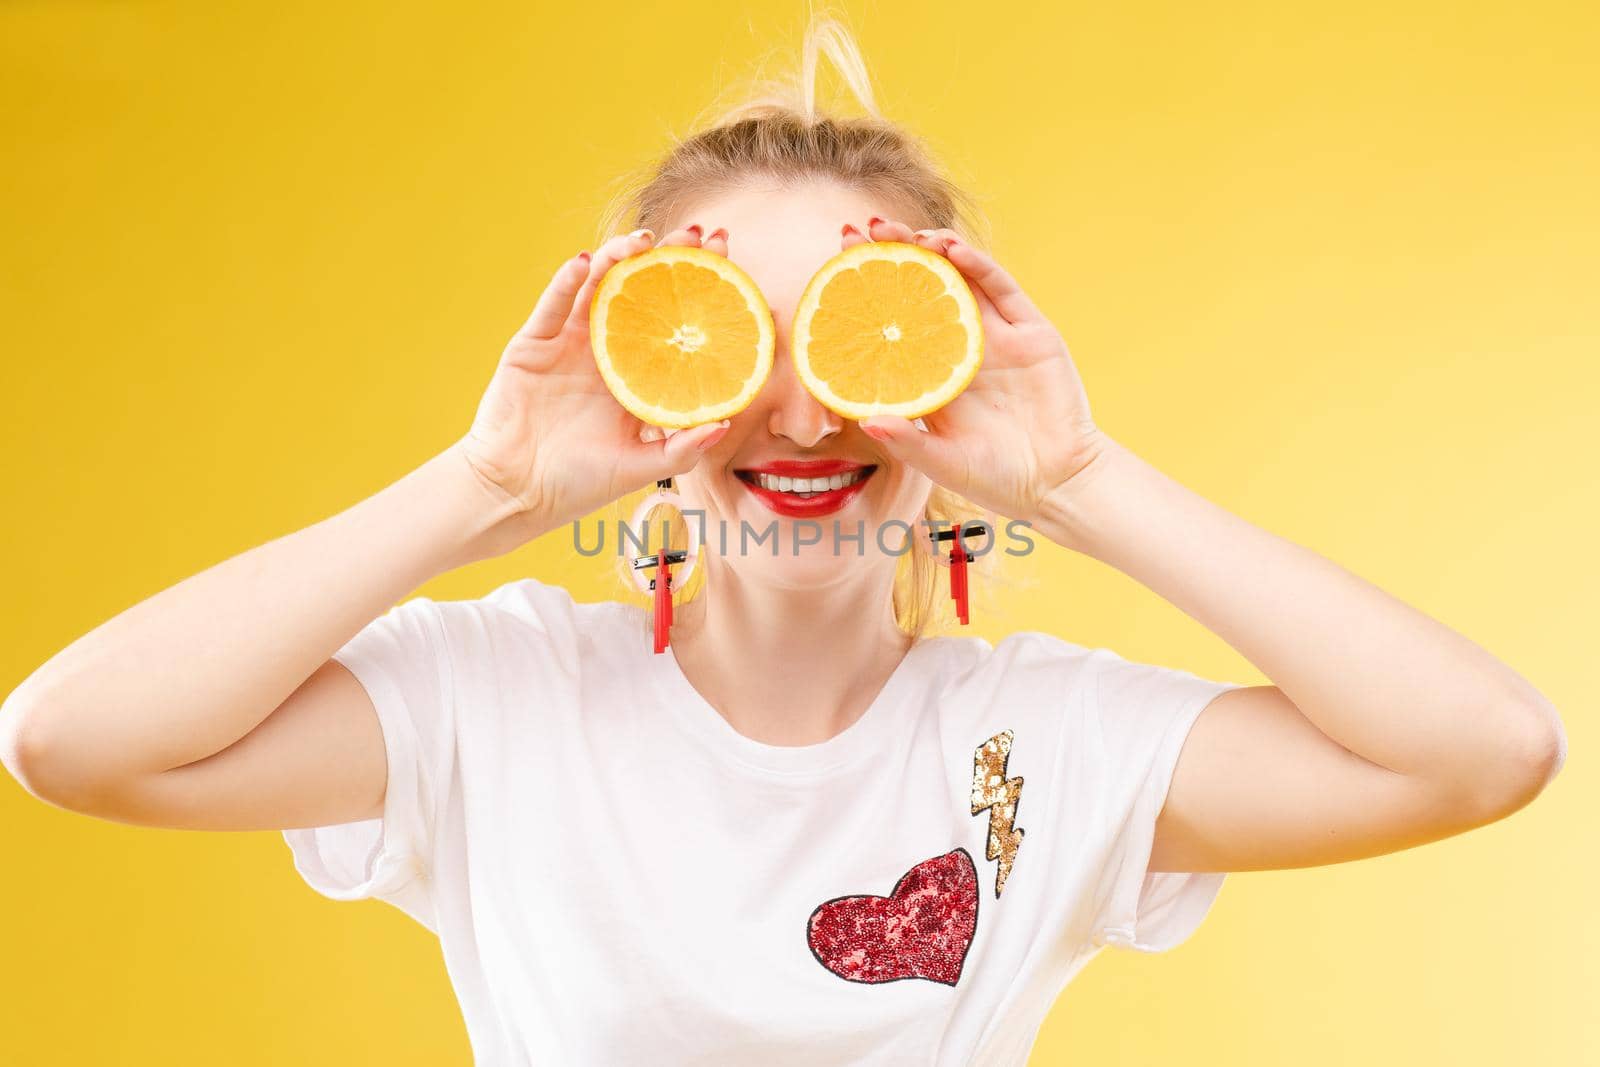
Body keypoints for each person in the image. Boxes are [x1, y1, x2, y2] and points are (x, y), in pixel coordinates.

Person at [0, 16, 1566, 1067]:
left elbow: (1483, 751)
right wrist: (487, 485)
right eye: (727, 338)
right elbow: (69, 740)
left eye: (863, 336)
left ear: (943, 369)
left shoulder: (1040, 743)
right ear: (635, 365)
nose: (803, 415)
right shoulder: (497, 699)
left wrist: (1076, 477)